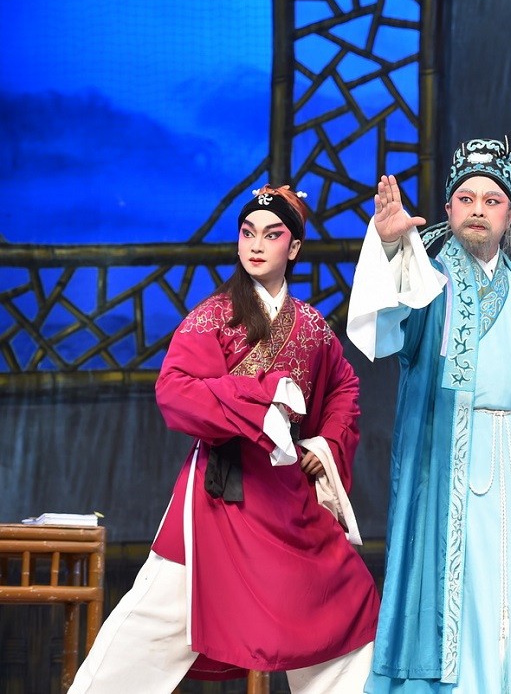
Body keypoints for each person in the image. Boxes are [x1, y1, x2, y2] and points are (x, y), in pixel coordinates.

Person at [71, 185, 380, 693]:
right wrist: (259, 399)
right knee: (156, 621)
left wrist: (323, 445)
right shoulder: (213, 316)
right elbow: (175, 390)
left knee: (343, 609)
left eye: (272, 235)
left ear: (294, 248)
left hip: (284, 497)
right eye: (247, 233)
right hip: (221, 492)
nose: (256, 245)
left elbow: (343, 387)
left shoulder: (311, 327)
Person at [347, 138, 511, 693]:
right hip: (446, 458)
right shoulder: (428, 281)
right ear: (448, 209)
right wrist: (391, 247)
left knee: (505, 595)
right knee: (456, 595)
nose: (477, 210)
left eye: (492, 201)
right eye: (466, 198)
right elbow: (389, 326)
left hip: (507, 462)